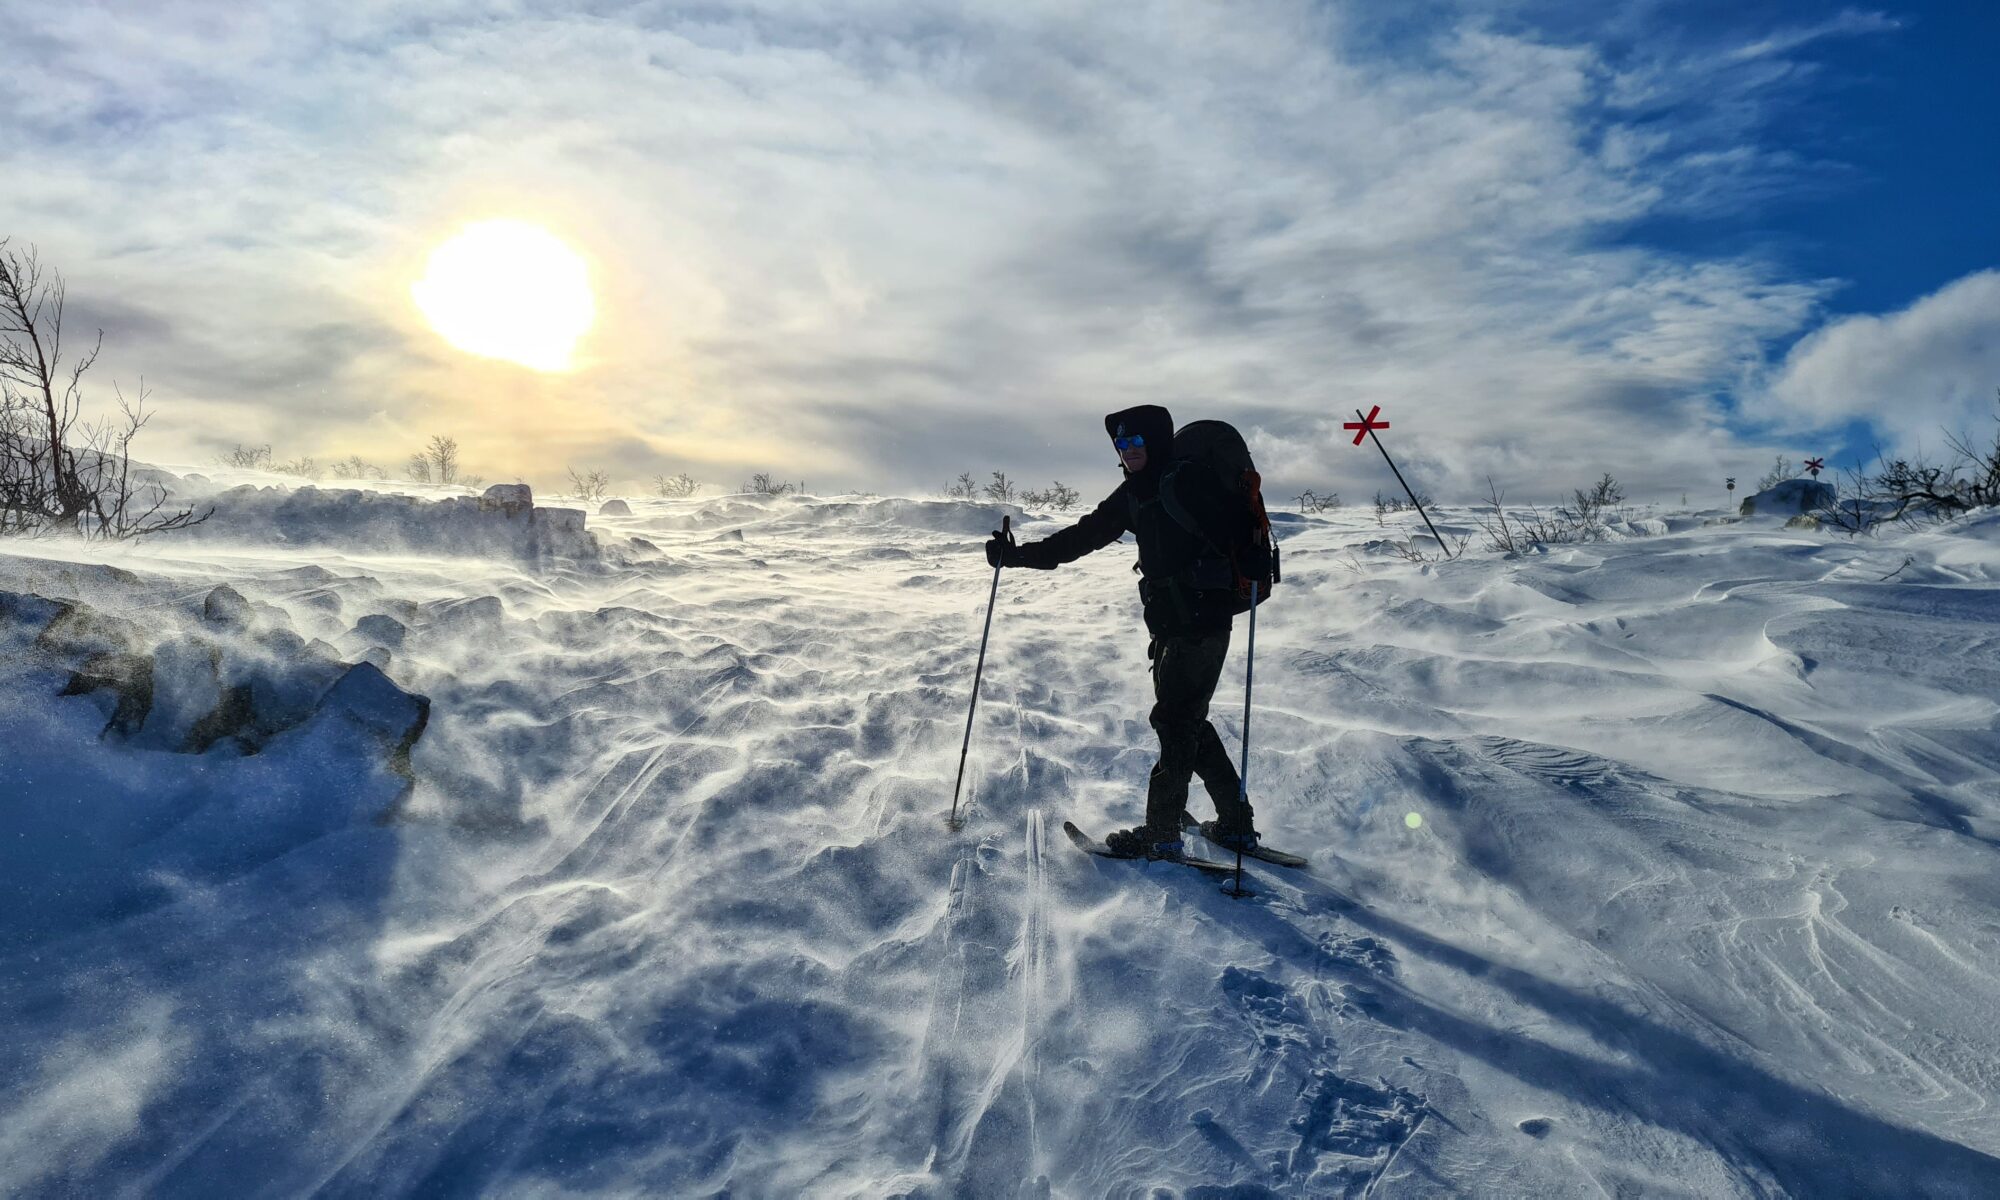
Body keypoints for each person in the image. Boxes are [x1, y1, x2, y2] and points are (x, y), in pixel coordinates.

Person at [985, 405, 1259, 860]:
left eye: (1137, 443)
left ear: (1156, 442)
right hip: (1170, 624)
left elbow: (1238, 528)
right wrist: (1016, 558)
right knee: (1188, 721)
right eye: (1122, 445)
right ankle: (1234, 825)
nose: (1129, 452)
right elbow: (1077, 539)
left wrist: (1250, 555)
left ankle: (1162, 832)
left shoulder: (1188, 481)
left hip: (1203, 622)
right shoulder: (1133, 494)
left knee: (1175, 722)